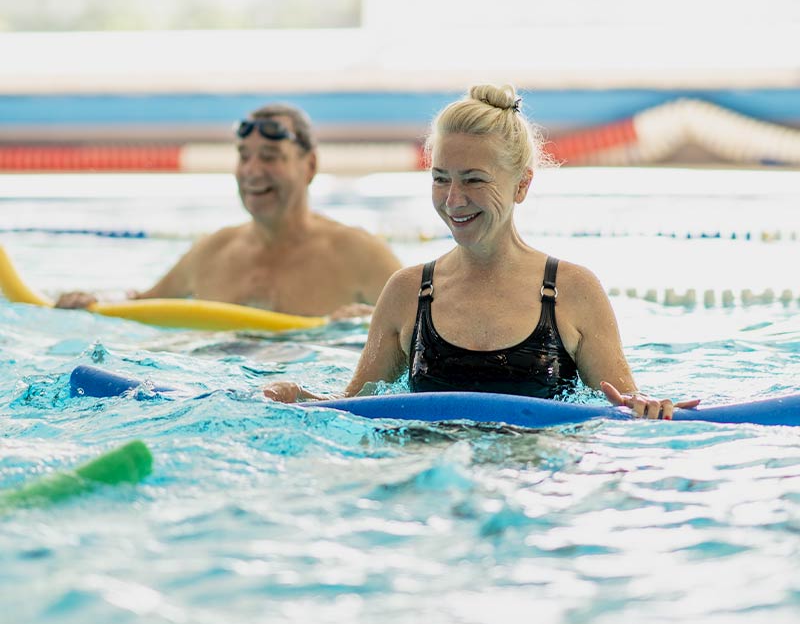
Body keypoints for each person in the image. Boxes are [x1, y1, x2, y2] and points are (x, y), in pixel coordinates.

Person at [263, 84, 700, 419]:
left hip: (533, 485)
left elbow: (622, 407)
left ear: (522, 184)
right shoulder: (407, 292)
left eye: (474, 180)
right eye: (440, 178)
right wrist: (299, 398)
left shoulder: (572, 291)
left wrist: (649, 410)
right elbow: (352, 409)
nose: (453, 200)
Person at [55, 103, 402, 318]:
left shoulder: (360, 254)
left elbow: (419, 327)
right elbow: (141, 303)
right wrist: (96, 300)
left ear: (308, 165)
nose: (252, 171)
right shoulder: (212, 251)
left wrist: (366, 325)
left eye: (269, 157)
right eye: (244, 156)